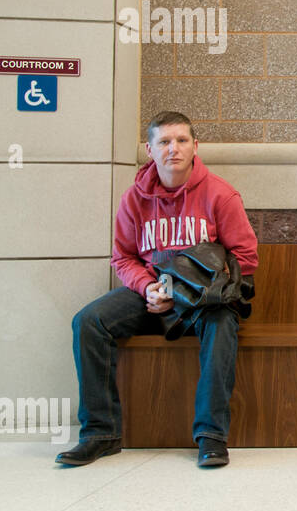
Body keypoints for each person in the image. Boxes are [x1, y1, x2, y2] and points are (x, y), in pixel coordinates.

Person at [56, 111, 258, 469]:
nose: (173, 149)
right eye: (164, 142)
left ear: (195, 146)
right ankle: (100, 434)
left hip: (200, 300)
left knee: (223, 324)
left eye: (181, 140)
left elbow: (246, 257)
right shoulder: (134, 199)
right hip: (149, 296)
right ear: (150, 150)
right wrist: (148, 287)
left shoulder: (221, 195)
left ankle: (211, 437)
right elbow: (123, 257)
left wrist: (188, 290)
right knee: (88, 322)